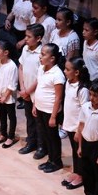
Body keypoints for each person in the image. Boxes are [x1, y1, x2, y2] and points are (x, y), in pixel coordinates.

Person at [34, 43, 66, 173]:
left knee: (53, 137)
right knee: (45, 136)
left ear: (52, 58)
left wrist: (53, 116)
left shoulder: (57, 74)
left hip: (50, 111)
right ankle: (50, 159)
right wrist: (35, 105)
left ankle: (56, 161)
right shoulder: (41, 69)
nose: (40, 56)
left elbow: (58, 98)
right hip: (41, 108)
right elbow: (39, 87)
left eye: (43, 54)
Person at [61, 57, 90, 190]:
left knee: (80, 152)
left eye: (67, 69)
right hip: (70, 123)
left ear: (77, 72)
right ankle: (76, 171)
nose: (65, 71)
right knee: (74, 150)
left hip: (78, 127)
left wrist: (79, 130)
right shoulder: (68, 83)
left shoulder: (82, 90)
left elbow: (85, 112)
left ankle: (82, 175)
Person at [17, 23, 44, 157]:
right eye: (25, 36)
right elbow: (21, 67)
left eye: (29, 36)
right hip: (26, 91)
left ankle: (41, 146)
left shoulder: (42, 54)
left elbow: (40, 77)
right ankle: (31, 142)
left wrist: (28, 91)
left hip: (37, 93)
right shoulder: (25, 49)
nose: (26, 39)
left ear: (38, 38)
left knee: (38, 121)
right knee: (29, 119)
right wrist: (22, 88)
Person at [0, 40, 19, 148]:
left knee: (11, 116)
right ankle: (3, 134)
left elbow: (12, 84)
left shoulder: (12, 66)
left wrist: (5, 96)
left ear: (6, 52)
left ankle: (11, 137)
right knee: (2, 115)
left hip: (8, 97)